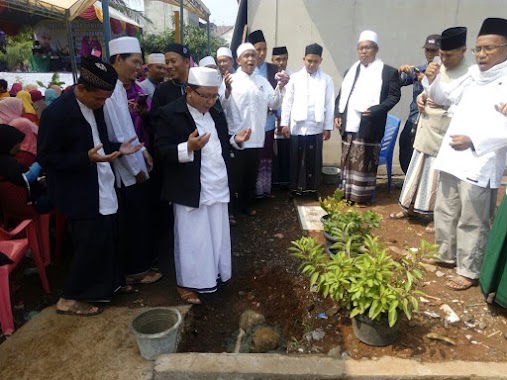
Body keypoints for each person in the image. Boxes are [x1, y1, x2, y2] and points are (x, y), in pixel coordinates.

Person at [37, 57, 143, 316]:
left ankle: (109, 286)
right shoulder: (57, 113)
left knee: (109, 236)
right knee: (89, 243)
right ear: (81, 88)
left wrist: (119, 148)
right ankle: (70, 297)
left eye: (105, 99)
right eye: (99, 99)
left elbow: (100, 141)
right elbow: (47, 158)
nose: (102, 104)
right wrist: (85, 158)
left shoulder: (95, 105)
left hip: (101, 182)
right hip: (79, 191)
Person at [153, 67, 251, 304]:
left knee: (216, 235)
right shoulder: (170, 113)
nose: (210, 101)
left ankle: (213, 275)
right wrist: (187, 147)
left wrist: (235, 140)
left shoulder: (215, 112)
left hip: (216, 184)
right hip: (190, 188)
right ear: (189, 91)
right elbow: (160, 151)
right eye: (205, 96)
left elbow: (220, 144)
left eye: (214, 95)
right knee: (192, 239)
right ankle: (187, 284)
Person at [424, 18, 507, 291]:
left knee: (472, 219)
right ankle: (445, 256)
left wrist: (475, 141)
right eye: (478, 49)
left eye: (489, 49)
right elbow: (445, 97)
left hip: (480, 161)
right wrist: (432, 80)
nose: (481, 54)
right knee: (445, 210)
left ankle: (469, 270)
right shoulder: (473, 75)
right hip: (453, 156)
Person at [391, 28, 469, 231]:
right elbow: (426, 90)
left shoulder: (465, 75)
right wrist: (421, 96)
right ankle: (409, 207)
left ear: (461, 52)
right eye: (435, 52)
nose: (437, 56)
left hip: (443, 131)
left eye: (441, 52)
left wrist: (428, 87)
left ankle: (435, 216)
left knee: (437, 176)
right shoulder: (434, 68)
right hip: (424, 126)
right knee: (415, 168)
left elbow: (456, 101)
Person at [105, 36, 160, 285]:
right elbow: (118, 135)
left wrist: (144, 151)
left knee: (141, 218)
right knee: (134, 221)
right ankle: (136, 271)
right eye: (135, 62)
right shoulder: (109, 91)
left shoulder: (119, 88)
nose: (139, 68)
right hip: (127, 171)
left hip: (135, 161)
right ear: (118, 59)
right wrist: (135, 168)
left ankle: (140, 266)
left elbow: (129, 129)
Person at [222, 43, 287, 223]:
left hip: (257, 137)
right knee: (235, 176)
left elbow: (274, 104)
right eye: (247, 56)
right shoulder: (230, 80)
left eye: (253, 55)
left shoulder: (262, 81)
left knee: (250, 176)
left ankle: (244, 206)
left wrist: (280, 87)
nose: (251, 59)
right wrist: (226, 92)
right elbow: (221, 107)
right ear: (238, 60)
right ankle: (231, 210)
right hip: (237, 137)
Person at [335, 30, 401, 205]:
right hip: (349, 125)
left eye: (367, 48)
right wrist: (338, 114)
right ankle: (346, 194)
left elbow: (394, 96)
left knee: (363, 163)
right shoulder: (351, 71)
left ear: (376, 49)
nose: (363, 51)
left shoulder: (388, 72)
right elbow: (341, 97)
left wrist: (377, 109)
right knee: (348, 160)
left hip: (369, 125)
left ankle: (360, 198)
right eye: (360, 48)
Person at [280, 43, 335, 199]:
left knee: (314, 160)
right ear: (304, 59)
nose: (312, 64)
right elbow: (287, 102)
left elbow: (330, 104)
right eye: (309, 60)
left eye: (315, 61)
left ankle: (312, 190)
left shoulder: (326, 80)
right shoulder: (295, 78)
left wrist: (327, 127)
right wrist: (285, 123)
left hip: (316, 126)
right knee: (296, 159)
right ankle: (295, 189)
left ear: (320, 61)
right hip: (297, 126)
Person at [397, 34, 441, 174]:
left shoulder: (445, 73)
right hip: (413, 119)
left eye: (433, 50)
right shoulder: (419, 69)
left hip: (432, 123)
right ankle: (408, 178)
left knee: (426, 154)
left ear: (441, 51)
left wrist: (426, 81)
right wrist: (400, 72)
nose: (429, 53)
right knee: (405, 144)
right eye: (427, 50)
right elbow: (400, 82)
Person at [248, 30, 282, 198]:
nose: (261, 53)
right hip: (249, 125)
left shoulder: (273, 69)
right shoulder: (244, 70)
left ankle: (263, 190)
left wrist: (280, 117)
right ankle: (250, 191)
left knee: (266, 156)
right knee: (252, 158)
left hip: (267, 124)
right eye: (258, 49)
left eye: (264, 49)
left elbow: (279, 94)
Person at [151, 43, 191, 114]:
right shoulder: (161, 90)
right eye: (166, 62)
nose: (169, 66)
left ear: (187, 62)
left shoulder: (198, 87)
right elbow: (155, 120)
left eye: (173, 61)